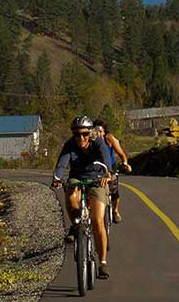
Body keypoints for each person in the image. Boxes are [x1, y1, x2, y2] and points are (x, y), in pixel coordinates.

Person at [52, 115, 114, 279]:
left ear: (90, 132)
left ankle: (102, 263)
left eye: (85, 134)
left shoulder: (98, 142)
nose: (81, 137)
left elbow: (106, 159)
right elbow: (62, 164)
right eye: (77, 134)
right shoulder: (69, 145)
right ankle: (76, 224)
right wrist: (57, 178)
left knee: (97, 220)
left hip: (97, 180)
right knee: (71, 196)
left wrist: (108, 173)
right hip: (77, 177)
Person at [93, 119, 132, 223]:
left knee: (114, 190)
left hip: (110, 166)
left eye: (100, 132)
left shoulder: (109, 138)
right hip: (97, 167)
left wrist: (125, 163)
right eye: (96, 132)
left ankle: (115, 210)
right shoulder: (91, 139)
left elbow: (121, 153)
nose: (98, 134)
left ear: (104, 132)